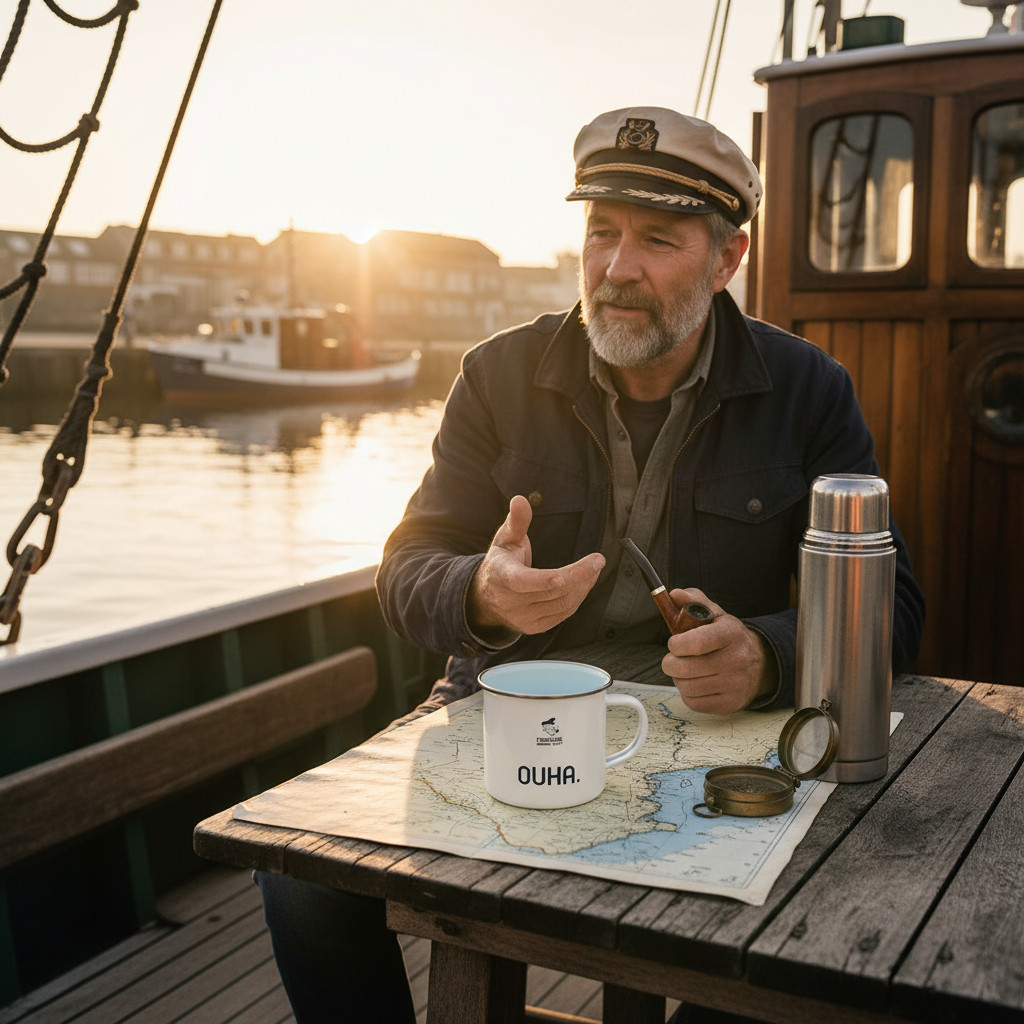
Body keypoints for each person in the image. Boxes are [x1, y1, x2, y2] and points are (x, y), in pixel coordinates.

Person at [257, 106, 926, 1023]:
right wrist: (480, 595)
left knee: (797, 940)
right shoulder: (496, 373)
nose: (618, 268)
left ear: (727, 259)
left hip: (716, 737)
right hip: (508, 716)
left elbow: (894, 604)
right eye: (601, 233)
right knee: (300, 886)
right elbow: (406, 569)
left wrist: (766, 653)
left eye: (657, 239)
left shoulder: (809, 388)